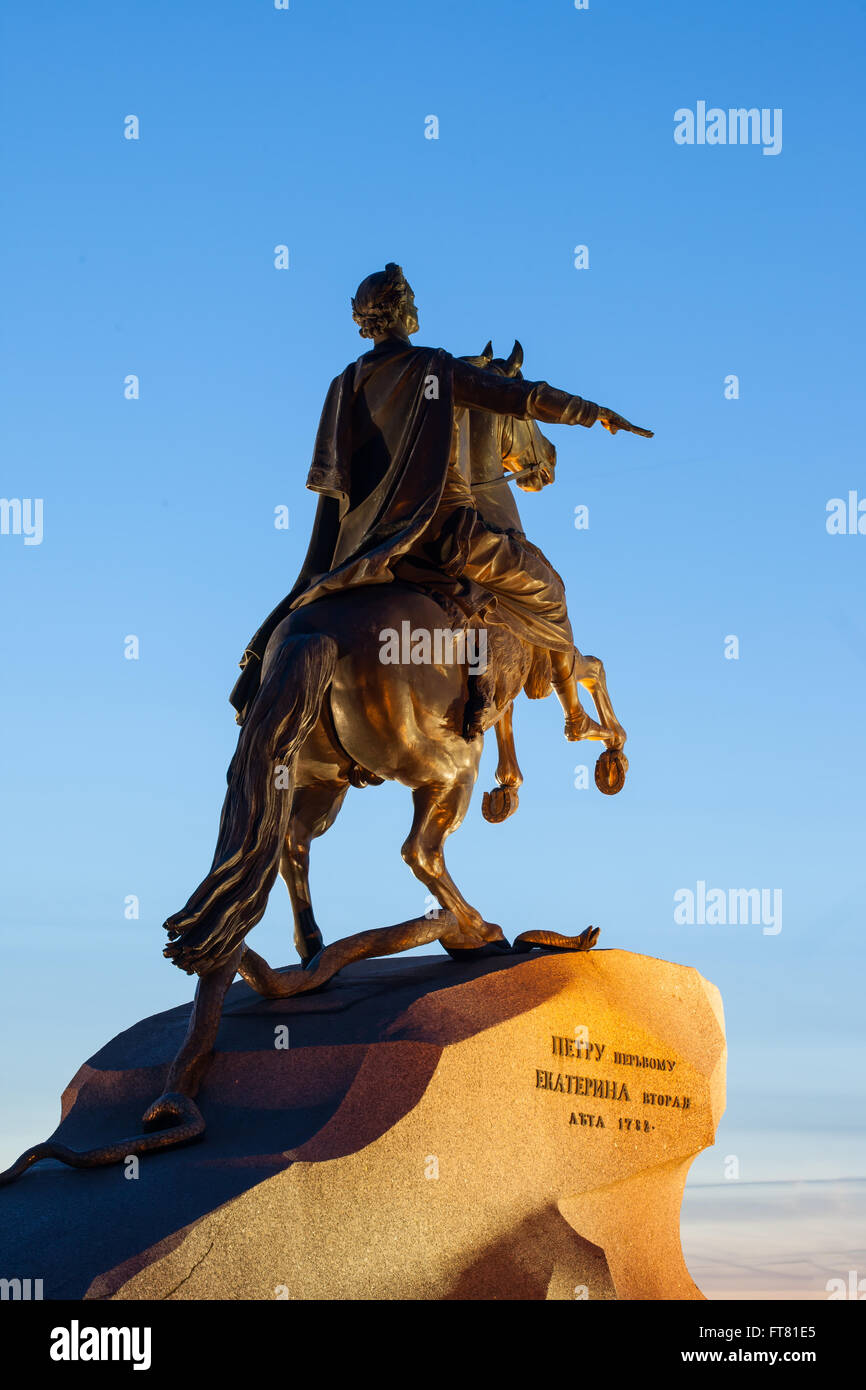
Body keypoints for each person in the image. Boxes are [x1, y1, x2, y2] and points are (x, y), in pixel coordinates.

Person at [230, 263, 652, 735]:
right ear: (397, 311)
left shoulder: (344, 384)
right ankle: (566, 710)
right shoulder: (432, 367)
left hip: (361, 549)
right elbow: (520, 397)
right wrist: (593, 413)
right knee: (550, 592)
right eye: (410, 300)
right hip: (442, 533)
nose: (417, 307)